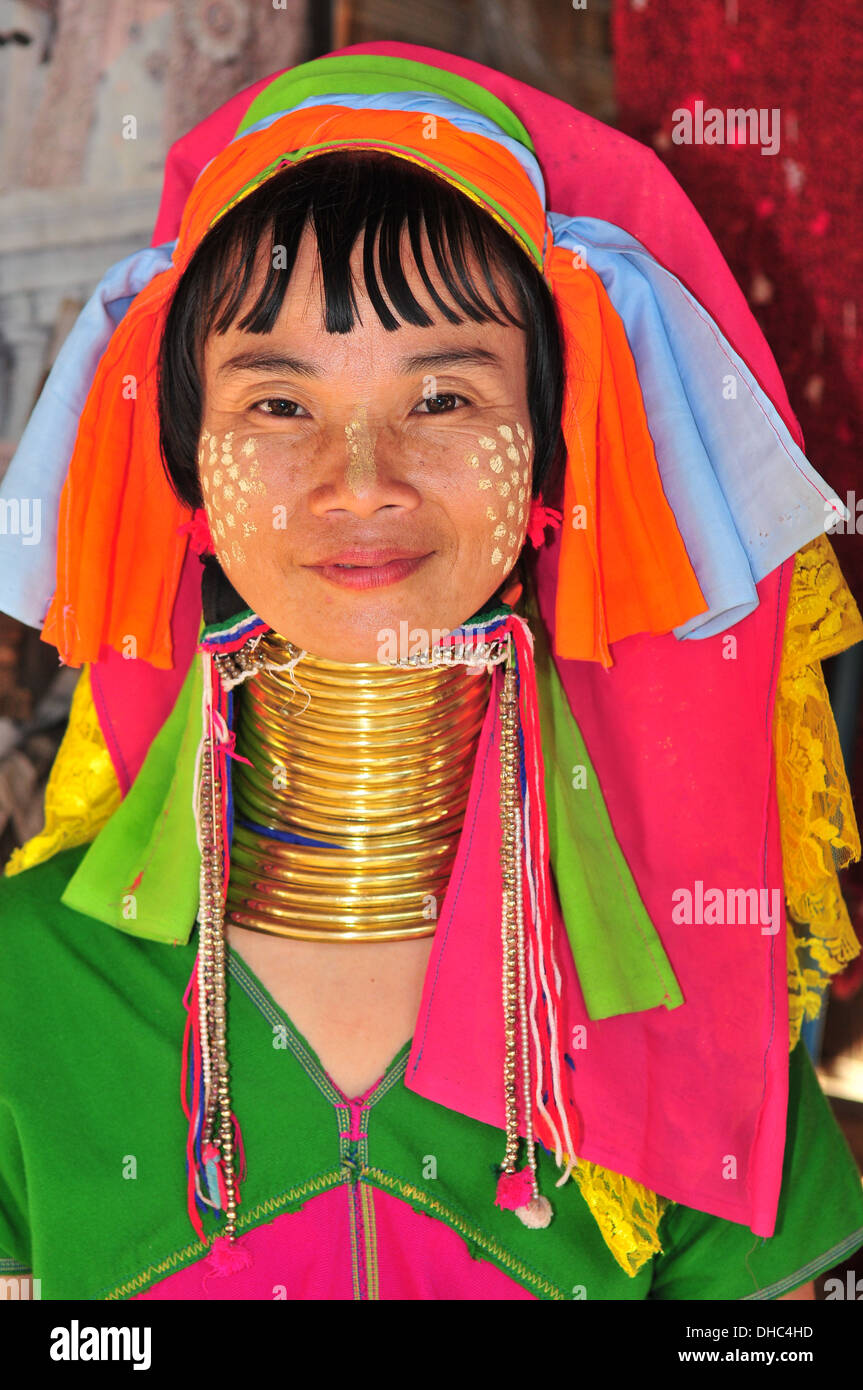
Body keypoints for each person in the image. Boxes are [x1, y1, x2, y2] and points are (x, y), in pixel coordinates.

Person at [0, 43, 862, 1302]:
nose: (362, 481)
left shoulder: (680, 997)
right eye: (278, 407)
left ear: (560, 453)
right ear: (181, 467)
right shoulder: (28, 985)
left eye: (446, 397)